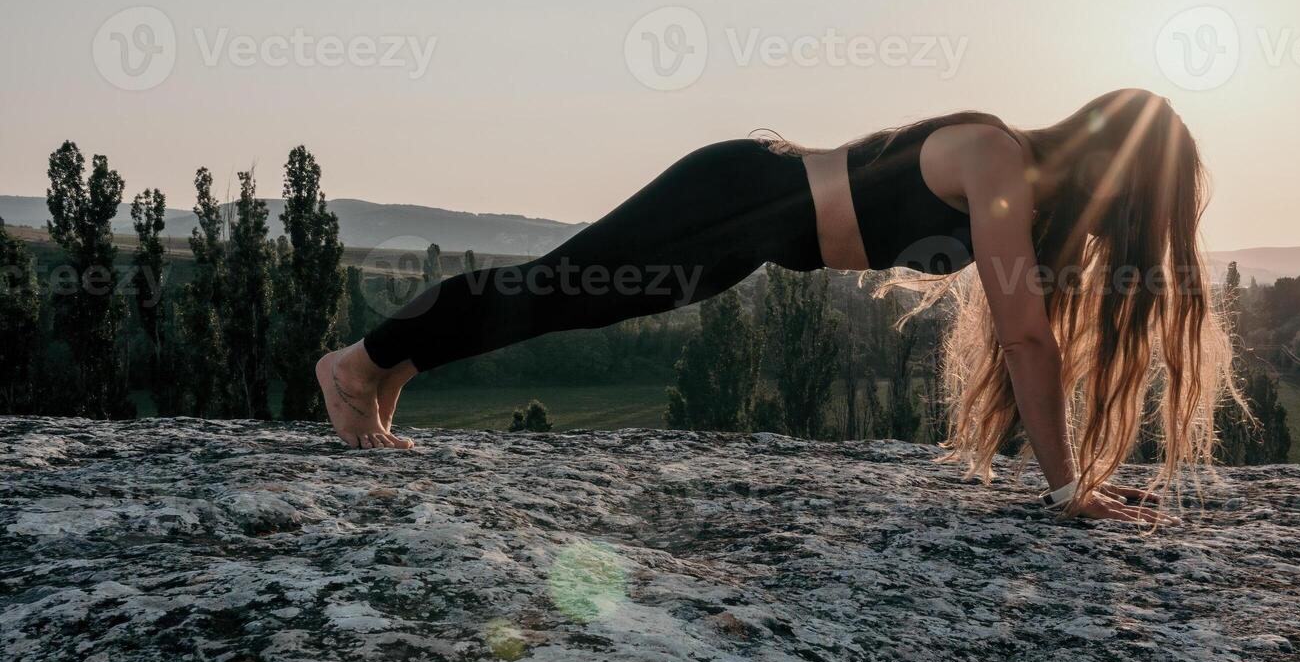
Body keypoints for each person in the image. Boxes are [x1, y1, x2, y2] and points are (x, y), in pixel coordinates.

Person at [318, 88, 1239, 524]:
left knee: (561, 305)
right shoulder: (998, 155)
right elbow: (1026, 338)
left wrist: (1071, 476)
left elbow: (1032, 330)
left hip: (740, 240)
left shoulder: (1023, 186)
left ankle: (386, 372)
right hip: (728, 196)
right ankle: (355, 363)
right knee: (555, 286)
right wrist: (1068, 491)